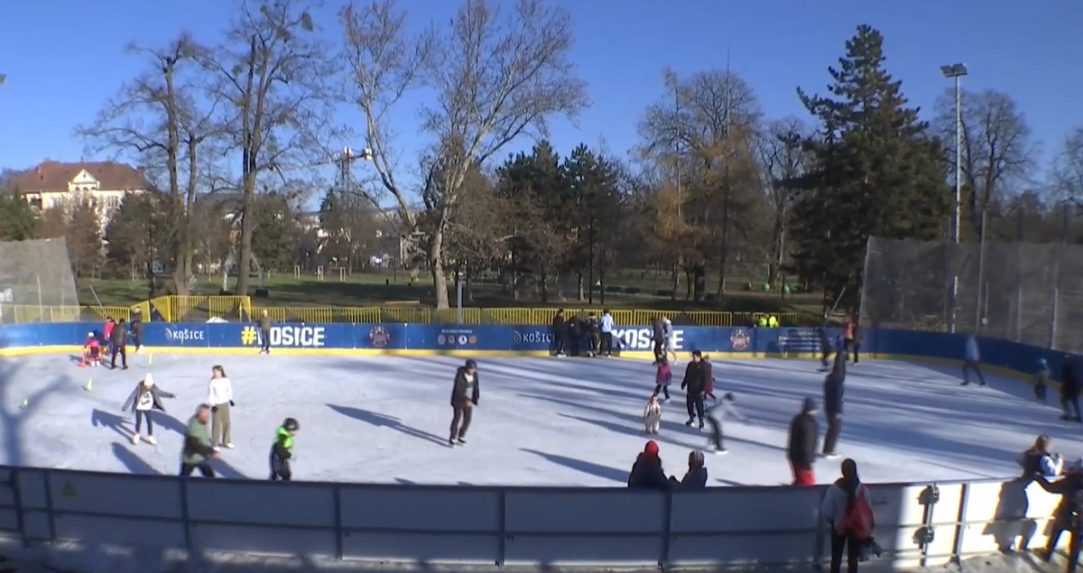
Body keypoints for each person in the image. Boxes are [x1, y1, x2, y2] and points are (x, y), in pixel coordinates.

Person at [821, 459, 875, 573]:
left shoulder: (834, 490)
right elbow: (868, 511)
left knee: (836, 558)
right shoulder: (862, 490)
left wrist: (834, 521)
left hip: (838, 527)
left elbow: (826, 511)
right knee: (853, 559)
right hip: (856, 528)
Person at [1035, 460, 1083, 571]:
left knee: (1055, 532)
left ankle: (1047, 554)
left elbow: (1050, 488)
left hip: (1066, 515)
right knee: (1075, 546)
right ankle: (1071, 569)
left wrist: (1038, 477)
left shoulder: (1070, 482)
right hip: (1081, 519)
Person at [121, 373, 175, 446]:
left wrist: (170, 395)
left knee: (149, 422)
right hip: (139, 407)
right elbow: (132, 396)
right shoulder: (139, 387)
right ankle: (137, 435)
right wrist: (126, 406)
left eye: (149, 385)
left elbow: (161, 393)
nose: (148, 386)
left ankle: (150, 436)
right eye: (147, 385)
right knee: (138, 422)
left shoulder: (153, 387)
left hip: (147, 408)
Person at [788, 397, 819, 486]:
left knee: (800, 480)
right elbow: (807, 443)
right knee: (808, 483)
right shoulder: (808, 423)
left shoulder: (799, 419)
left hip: (796, 457)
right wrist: (807, 461)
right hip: (802, 459)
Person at [180, 404, 218, 477]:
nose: (208, 416)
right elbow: (196, 445)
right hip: (190, 458)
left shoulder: (202, 421)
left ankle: (211, 487)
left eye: (208, 414)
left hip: (199, 457)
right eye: (205, 414)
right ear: (199, 413)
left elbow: (203, 436)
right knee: (183, 480)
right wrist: (211, 451)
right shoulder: (193, 426)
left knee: (210, 477)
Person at [449, 359, 480, 446]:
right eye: (471, 369)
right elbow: (459, 389)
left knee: (467, 419)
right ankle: (452, 437)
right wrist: (466, 400)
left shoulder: (475, 375)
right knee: (457, 418)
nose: (473, 371)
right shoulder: (460, 375)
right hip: (458, 400)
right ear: (467, 368)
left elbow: (476, 387)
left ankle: (461, 436)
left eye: (474, 369)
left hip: (469, 400)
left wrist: (475, 399)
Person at [823, 356, 847, 459]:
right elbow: (837, 395)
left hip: (828, 406)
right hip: (834, 408)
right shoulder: (837, 379)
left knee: (832, 428)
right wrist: (838, 410)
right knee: (835, 429)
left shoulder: (830, 377)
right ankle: (829, 451)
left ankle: (827, 449)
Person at [207, 365, 234, 449]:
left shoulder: (226, 380)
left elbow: (229, 390)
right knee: (216, 424)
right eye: (213, 372)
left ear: (221, 371)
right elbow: (210, 395)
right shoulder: (212, 382)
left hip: (225, 404)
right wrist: (213, 405)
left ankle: (226, 441)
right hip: (216, 405)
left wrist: (230, 399)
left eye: (216, 371)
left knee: (227, 423)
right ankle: (215, 443)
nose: (215, 373)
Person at [682, 351, 707, 429]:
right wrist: (684, 383)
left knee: (699, 406)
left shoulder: (703, 366)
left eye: (694, 357)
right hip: (690, 388)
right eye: (692, 357)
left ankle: (701, 421)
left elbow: (705, 379)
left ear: (698, 357)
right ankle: (691, 418)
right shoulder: (690, 364)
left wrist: (703, 390)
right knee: (689, 405)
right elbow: (687, 375)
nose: (693, 358)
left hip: (699, 390)